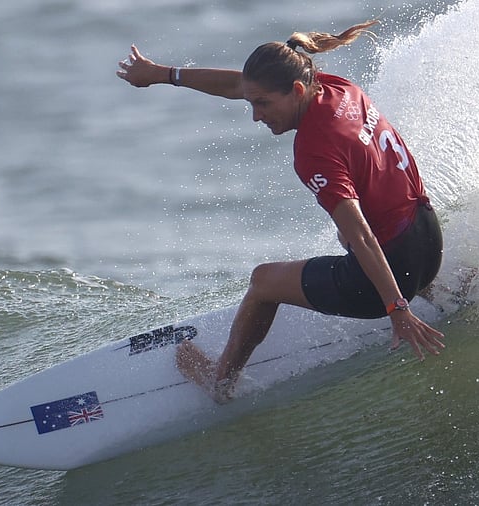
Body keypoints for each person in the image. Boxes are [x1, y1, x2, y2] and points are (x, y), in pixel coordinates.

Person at [116, 20, 445, 403]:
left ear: (297, 91)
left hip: (391, 273)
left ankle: (221, 383)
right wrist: (161, 74)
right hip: (428, 238)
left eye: (263, 104)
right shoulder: (339, 89)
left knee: (263, 283)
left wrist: (396, 308)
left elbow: (363, 237)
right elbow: (238, 85)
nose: (256, 115)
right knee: (353, 225)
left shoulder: (313, 150)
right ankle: (447, 288)